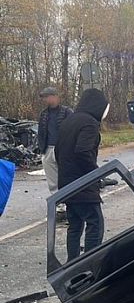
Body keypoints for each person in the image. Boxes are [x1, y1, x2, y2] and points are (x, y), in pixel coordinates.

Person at [56, 88, 109, 261]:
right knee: (95, 223)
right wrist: (96, 174)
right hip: (83, 185)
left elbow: (58, 151)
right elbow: (83, 151)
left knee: (74, 225)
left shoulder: (69, 120)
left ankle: (72, 263)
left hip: (67, 184)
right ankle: (89, 264)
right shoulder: (89, 123)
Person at [38, 87, 73, 218]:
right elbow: (41, 132)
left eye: (46, 97)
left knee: (66, 179)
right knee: (53, 182)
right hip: (47, 149)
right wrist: (42, 149)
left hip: (63, 150)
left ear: (54, 96)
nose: (44, 100)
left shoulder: (67, 112)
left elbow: (73, 130)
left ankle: (70, 206)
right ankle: (59, 208)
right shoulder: (44, 114)